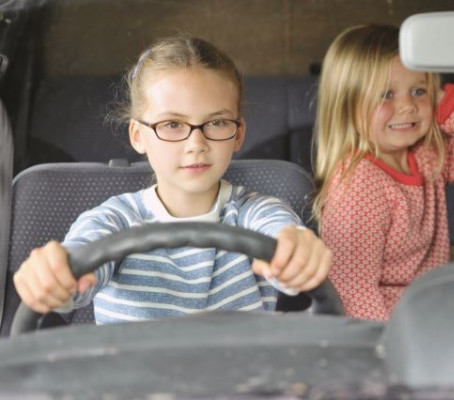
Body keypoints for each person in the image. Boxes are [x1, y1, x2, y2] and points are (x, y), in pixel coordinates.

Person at [13, 36, 332, 324]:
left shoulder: (258, 212)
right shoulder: (113, 220)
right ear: (138, 135)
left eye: (217, 122)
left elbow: (284, 237)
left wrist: (298, 253)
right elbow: (76, 274)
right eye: (172, 124)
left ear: (238, 134)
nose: (196, 144)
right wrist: (55, 276)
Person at [312, 24, 454, 321]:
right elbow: (352, 292)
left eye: (418, 91)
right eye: (385, 94)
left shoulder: (425, 157)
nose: (407, 106)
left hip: (430, 310)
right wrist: (388, 341)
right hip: (389, 326)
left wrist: (443, 103)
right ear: (346, 104)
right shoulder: (358, 186)